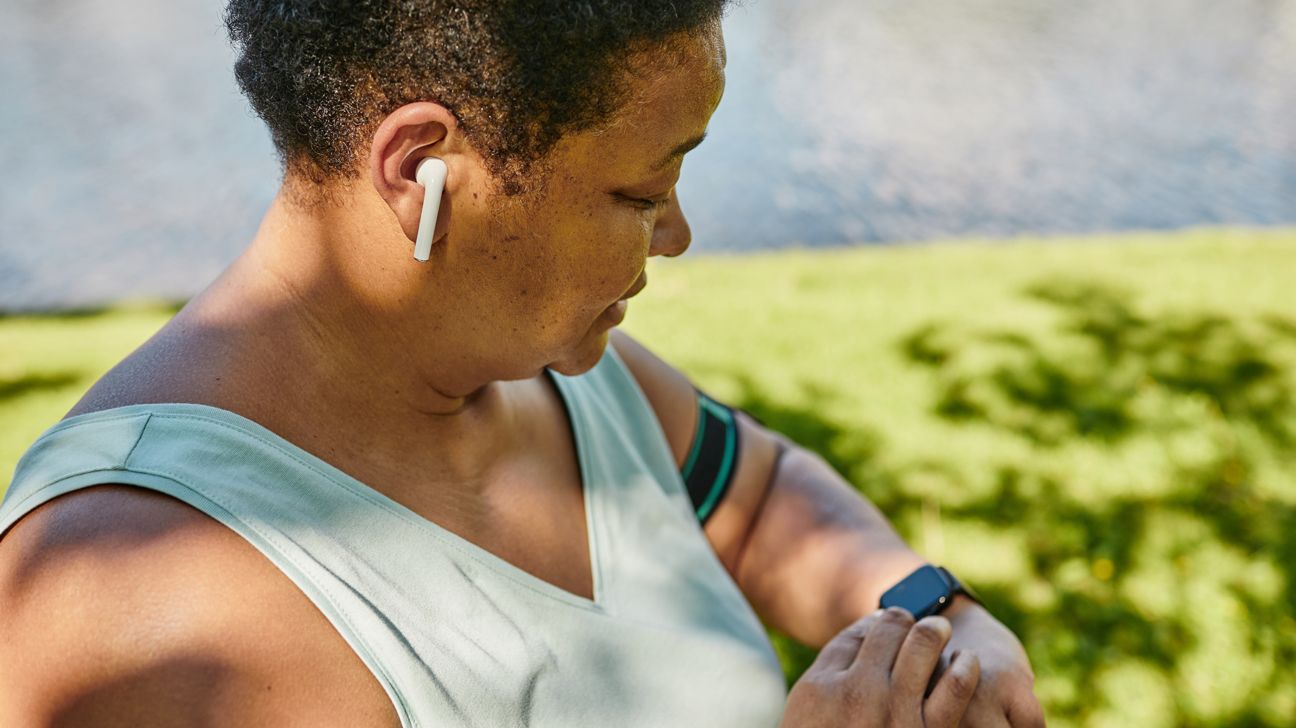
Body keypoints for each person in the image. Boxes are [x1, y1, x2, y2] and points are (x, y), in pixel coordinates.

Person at [0, 2, 1044, 726]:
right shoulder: (135, 597)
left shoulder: (584, 387)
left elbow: (762, 492)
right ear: (424, 170)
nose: (676, 233)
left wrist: (933, 613)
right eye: (639, 193)